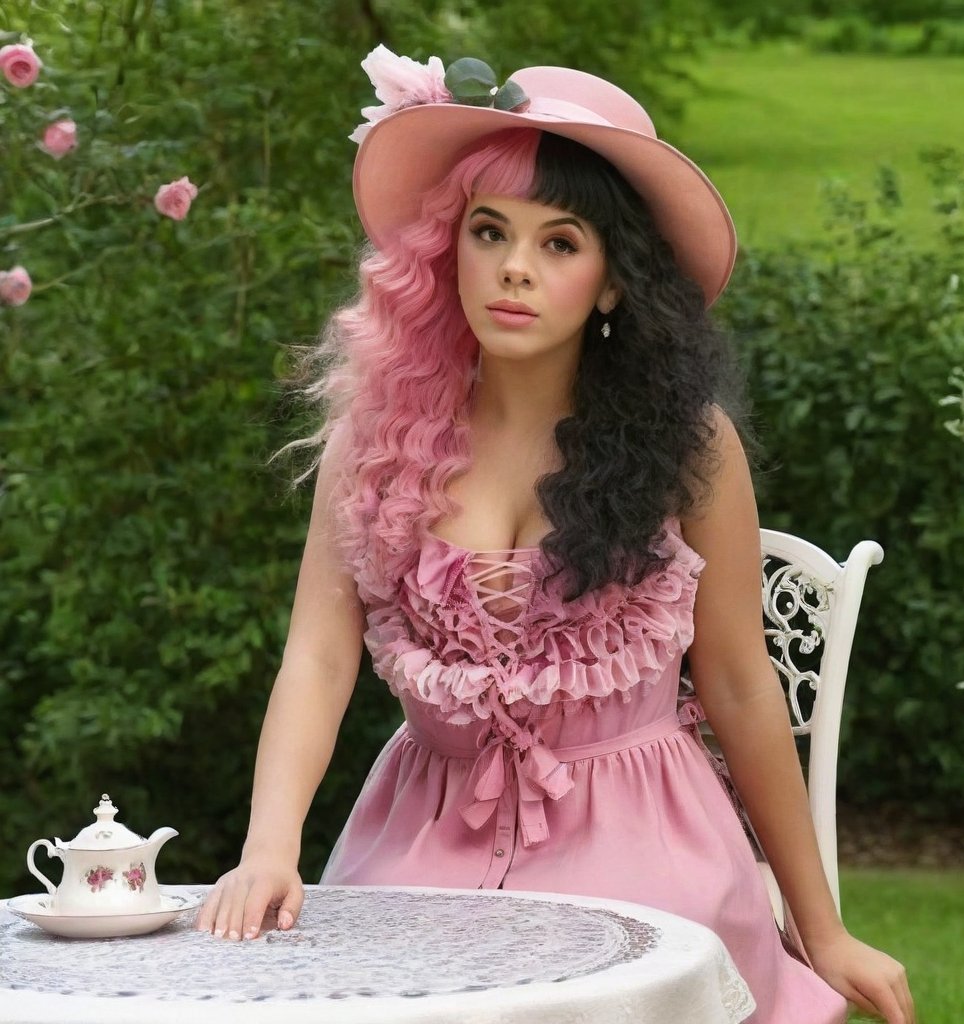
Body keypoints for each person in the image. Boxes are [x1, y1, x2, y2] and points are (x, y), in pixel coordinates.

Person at [195, 47, 915, 1024]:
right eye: (489, 232)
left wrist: (821, 927)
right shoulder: (374, 439)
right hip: (421, 838)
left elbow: (743, 685)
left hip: (644, 843)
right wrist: (269, 845)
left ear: (614, 281)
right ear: (447, 248)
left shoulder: (688, 447)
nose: (515, 269)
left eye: (561, 243)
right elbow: (318, 660)